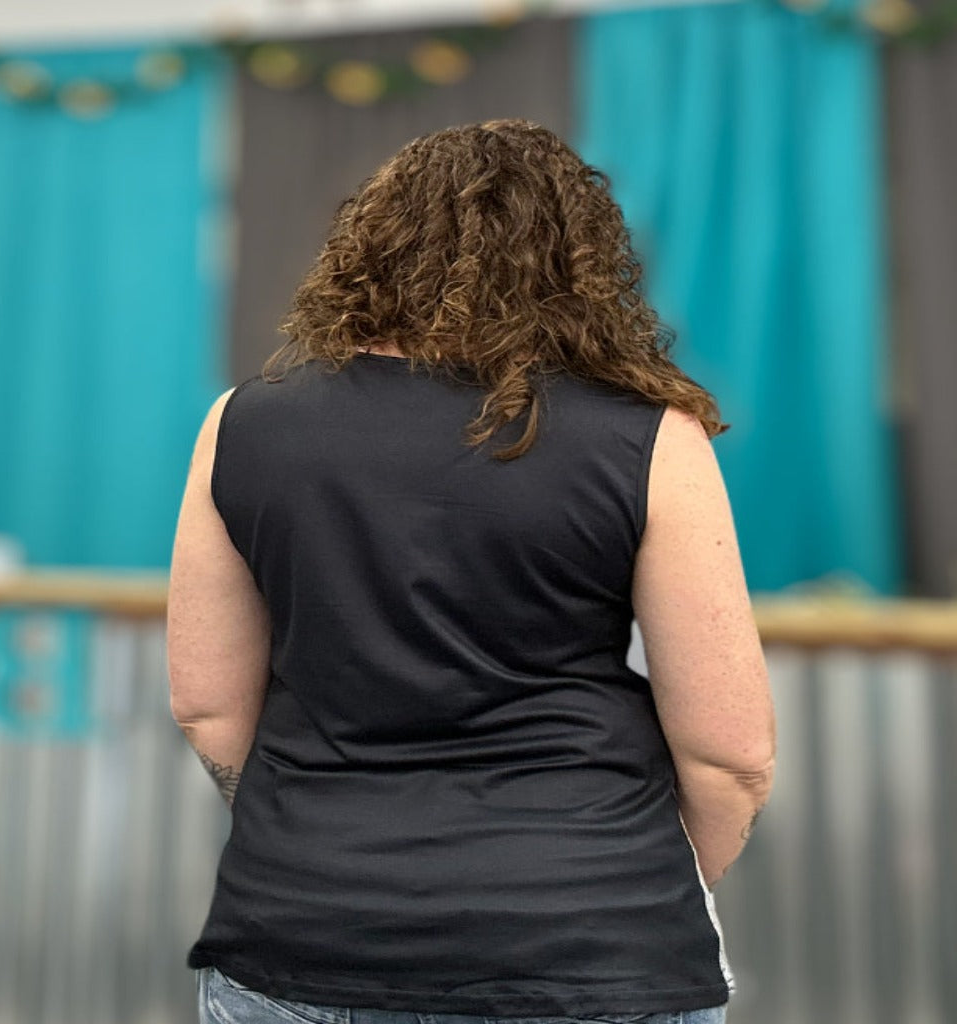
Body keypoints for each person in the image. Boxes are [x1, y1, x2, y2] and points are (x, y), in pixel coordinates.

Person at [167, 119, 776, 1024]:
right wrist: (628, 872)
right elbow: (731, 755)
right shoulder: (649, 439)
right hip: (594, 942)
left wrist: (314, 833)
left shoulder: (242, 425)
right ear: (581, 264)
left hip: (305, 934)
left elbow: (207, 706)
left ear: (370, 249)